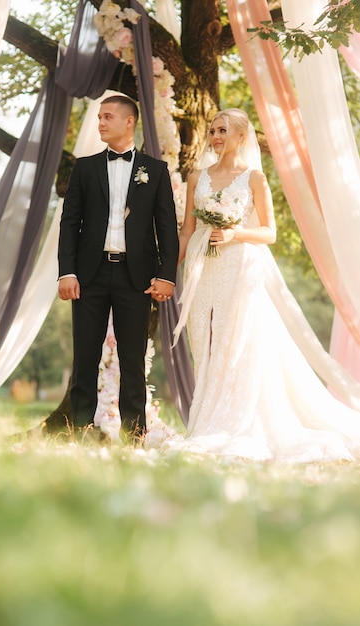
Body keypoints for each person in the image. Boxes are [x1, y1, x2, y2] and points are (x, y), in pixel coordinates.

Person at [165, 107, 360, 462]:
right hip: (201, 271)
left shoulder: (254, 178)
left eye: (223, 130)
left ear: (242, 136)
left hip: (241, 268)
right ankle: (206, 419)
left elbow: (269, 232)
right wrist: (166, 272)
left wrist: (235, 232)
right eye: (213, 130)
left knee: (236, 341)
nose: (216, 136)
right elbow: (187, 231)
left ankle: (235, 420)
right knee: (205, 342)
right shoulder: (197, 177)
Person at [58, 94, 179, 440]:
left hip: (136, 278)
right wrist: (67, 271)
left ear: (130, 121)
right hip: (88, 276)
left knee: (133, 359)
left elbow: (166, 227)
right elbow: (70, 224)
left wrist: (166, 275)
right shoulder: (84, 167)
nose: (100, 123)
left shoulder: (155, 171)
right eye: (99, 117)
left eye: (107, 116)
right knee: (84, 357)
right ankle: (79, 432)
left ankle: (133, 436)